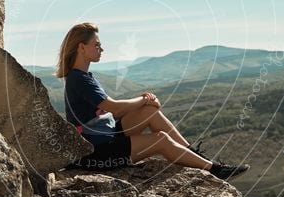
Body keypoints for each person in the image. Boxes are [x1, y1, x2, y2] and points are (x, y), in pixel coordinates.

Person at [55, 22, 250, 179]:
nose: (102, 49)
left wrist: (145, 104)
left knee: (150, 112)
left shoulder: (84, 76)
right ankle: (214, 170)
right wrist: (142, 99)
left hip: (107, 137)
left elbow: (111, 113)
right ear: (81, 47)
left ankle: (196, 155)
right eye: (96, 45)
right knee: (161, 140)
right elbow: (112, 106)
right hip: (97, 153)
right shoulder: (78, 79)